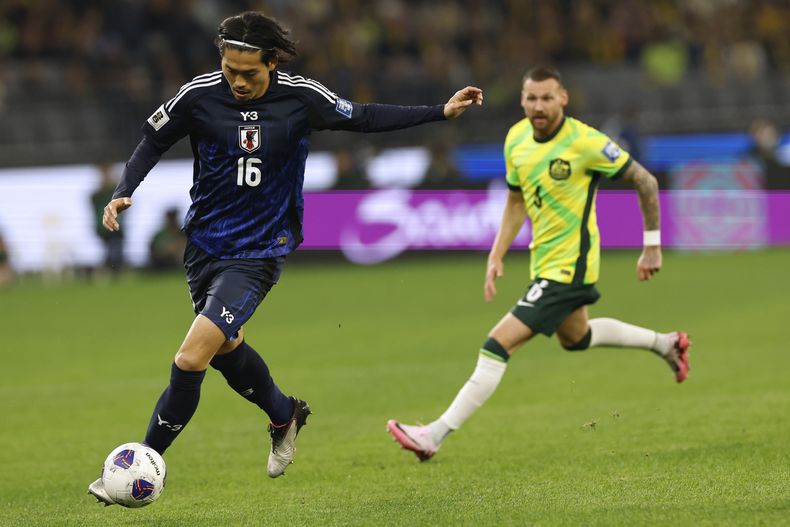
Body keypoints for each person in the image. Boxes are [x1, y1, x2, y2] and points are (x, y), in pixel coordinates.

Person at [88, 11, 482, 505]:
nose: (237, 82)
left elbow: (361, 117)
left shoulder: (300, 97)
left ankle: (138, 465)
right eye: (230, 70)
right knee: (228, 352)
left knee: (191, 358)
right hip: (205, 246)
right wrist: (124, 190)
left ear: (271, 63)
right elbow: (153, 139)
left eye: (249, 73)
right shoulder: (198, 94)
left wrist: (438, 112)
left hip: (259, 251)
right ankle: (284, 414)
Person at [387, 66, 690, 462]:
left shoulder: (585, 142)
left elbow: (646, 181)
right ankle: (667, 344)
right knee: (575, 337)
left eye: (547, 98)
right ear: (522, 100)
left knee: (496, 345)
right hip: (544, 264)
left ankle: (434, 435)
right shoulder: (516, 139)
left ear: (563, 98)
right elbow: (516, 201)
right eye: (532, 98)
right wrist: (496, 254)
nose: (539, 106)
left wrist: (652, 246)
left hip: (570, 269)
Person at [90, 163, 124, 278]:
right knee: (110, 250)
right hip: (104, 227)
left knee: (115, 249)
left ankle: (113, 270)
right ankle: (110, 270)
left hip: (117, 226)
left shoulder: (115, 190)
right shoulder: (98, 193)